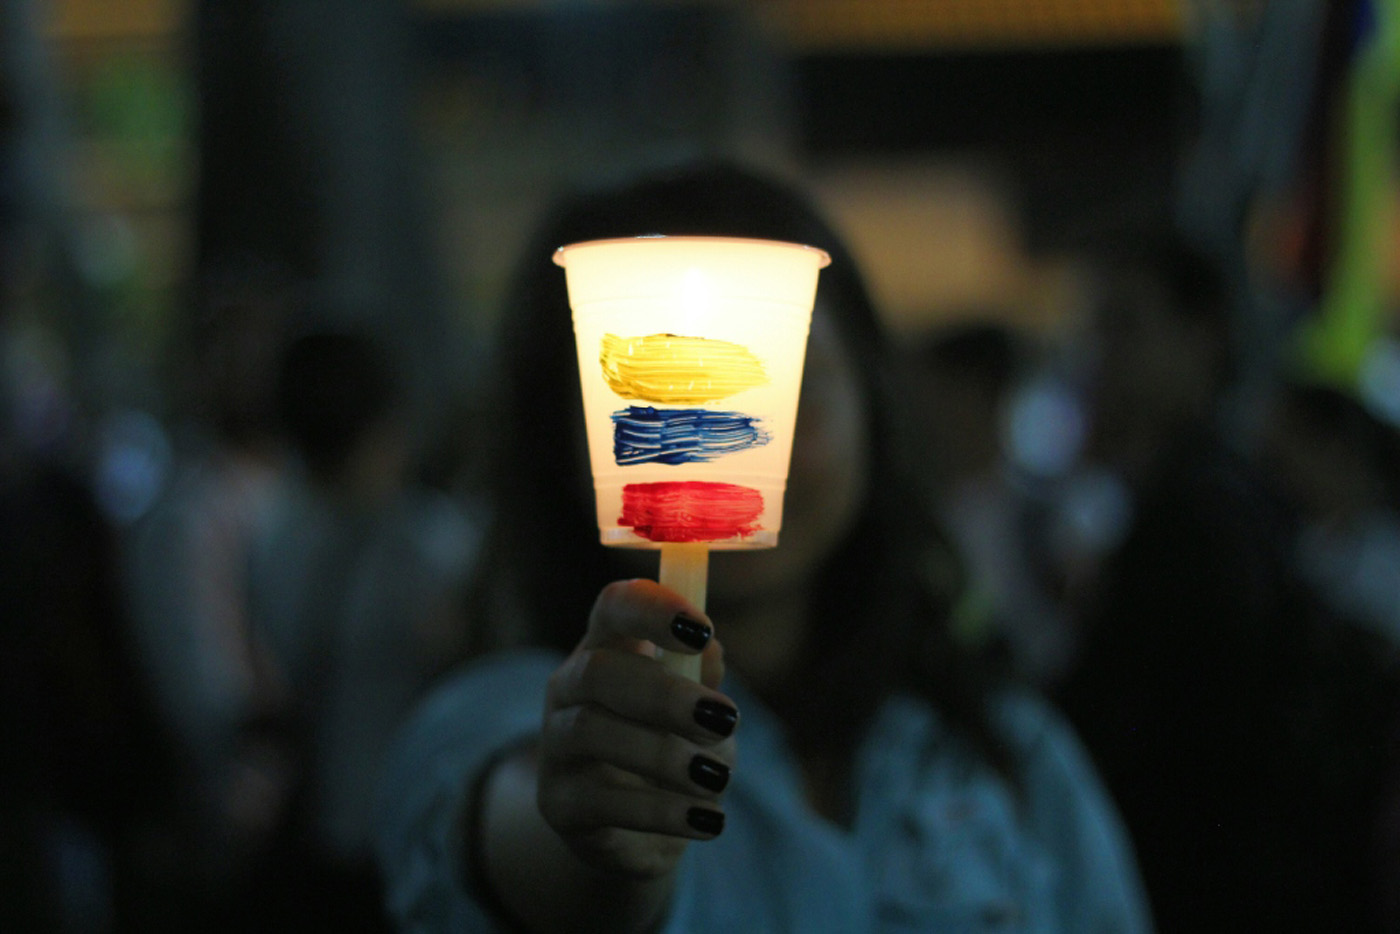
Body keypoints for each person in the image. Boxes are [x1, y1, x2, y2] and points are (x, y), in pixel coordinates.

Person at [374, 160, 1151, 932]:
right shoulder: (494, 719)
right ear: (562, 442)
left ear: (872, 412)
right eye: (650, 390)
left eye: (784, 383)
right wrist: (595, 828)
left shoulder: (1007, 749)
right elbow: (524, 842)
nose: (728, 438)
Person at [1051, 232, 1400, 931]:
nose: (1104, 354)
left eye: (1127, 325)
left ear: (1203, 336)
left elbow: (1160, 743)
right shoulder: (1217, 500)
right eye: (1100, 327)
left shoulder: (1200, 517)